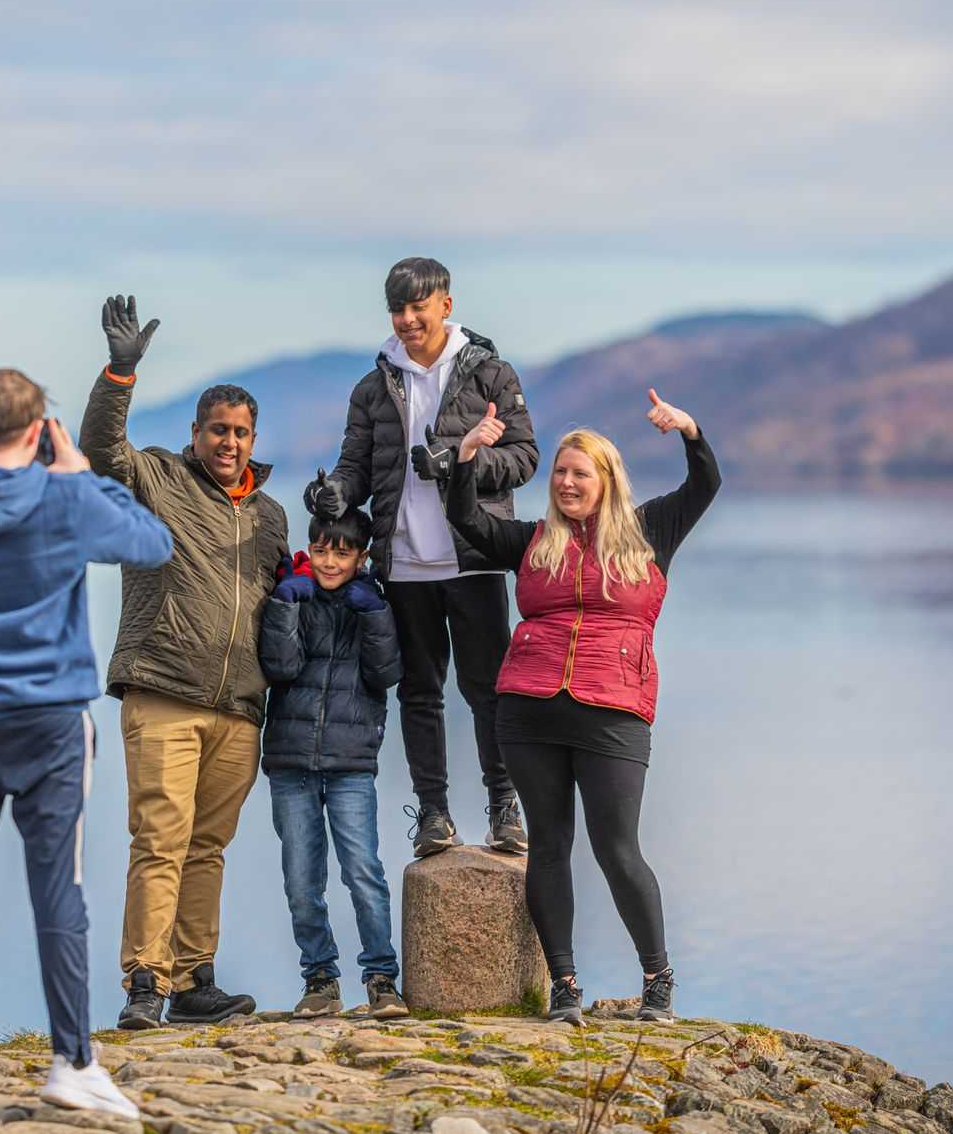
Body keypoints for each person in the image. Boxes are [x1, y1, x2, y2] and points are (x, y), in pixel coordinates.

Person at [0, 368, 173, 1118]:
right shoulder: (66, 496)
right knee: (59, 891)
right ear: (41, 428)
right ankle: (72, 1061)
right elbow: (153, 541)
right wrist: (82, 475)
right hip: (49, 723)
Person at [442, 387, 720, 1027]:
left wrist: (689, 430)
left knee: (618, 848)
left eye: (579, 473)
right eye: (560, 472)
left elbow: (705, 484)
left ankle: (658, 981)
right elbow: (469, 522)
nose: (566, 482)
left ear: (606, 479)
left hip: (614, 709)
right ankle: (564, 984)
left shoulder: (651, 531)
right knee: (549, 847)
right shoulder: (533, 540)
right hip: (528, 710)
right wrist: (466, 459)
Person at [81, 296, 292, 1028]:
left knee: (208, 847)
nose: (229, 442)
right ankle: (145, 981)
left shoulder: (269, 515)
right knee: (161, 839)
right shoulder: (158, 479)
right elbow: (101, 452)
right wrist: (120, 372)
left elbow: (282, 599)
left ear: (253, 436)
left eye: (240, 432)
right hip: (165, 689)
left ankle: (195, 978)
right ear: (195, 433)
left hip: (237, 706)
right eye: (217, 430)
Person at [306, 257, 539, 858]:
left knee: (488, 691)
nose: (409, 319)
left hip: (475, 558)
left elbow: (525, 457)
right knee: (419, 693)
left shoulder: (491, 375)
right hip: (403, 564)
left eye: (419, 306)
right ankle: (433, 814)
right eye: (398, 309)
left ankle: (503, 808)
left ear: (446, 305)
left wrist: (461, 462)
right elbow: (357, 466)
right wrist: (335, 493)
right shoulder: (374, 385)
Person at [257, 509, 409, 1020]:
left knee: (363, 872)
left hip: (351, 764)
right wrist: (282, 607)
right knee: (302, 880)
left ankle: (382, 978)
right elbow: (280, 667)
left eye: (342, 552)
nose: (328, 561)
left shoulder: (373, 605)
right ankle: (320, 978)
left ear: (361, 557)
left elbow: (386, 672)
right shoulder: (292, 596)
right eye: (320, 549)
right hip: (291, 759)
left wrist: (375, 615)